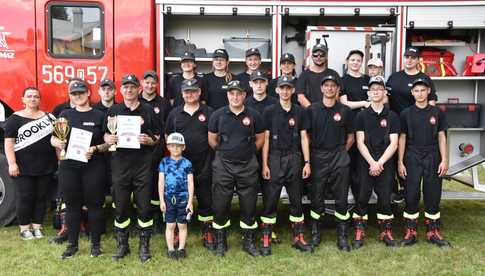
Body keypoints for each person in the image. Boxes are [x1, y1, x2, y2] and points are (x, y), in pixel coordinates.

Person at [104, 74, 161, 263]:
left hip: (142, 166)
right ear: (121, 90)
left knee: (144, 208)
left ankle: (144, 247)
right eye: (125, 87)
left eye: (132, 87)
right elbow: (105, 134)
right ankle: (123, 245)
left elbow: (158, 137)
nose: (129, 90)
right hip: (120, 166)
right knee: (120, 207)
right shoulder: (114, 110)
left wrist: (149, 140)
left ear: (139, 89)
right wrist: (108, 139)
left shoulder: (148, 110)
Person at [51, 81, 109, 258]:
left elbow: (108, 142)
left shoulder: (100, 115)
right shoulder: (64, 114)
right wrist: (58, 143)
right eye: (74, 94)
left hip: (94, 166)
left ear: (88, 93)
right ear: (70, 96)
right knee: (72, 206)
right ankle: (72, 244)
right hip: (70, 167)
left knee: (95, 206)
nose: (78, 96)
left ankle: (96, 245)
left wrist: (96, 148)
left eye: (81, 93)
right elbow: (53, 139)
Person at [208, 80, 265, 257]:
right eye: (232, 93)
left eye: (238, 93)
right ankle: (220, 241)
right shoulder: (218, 115)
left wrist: (247, 153)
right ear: (228, 95)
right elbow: (212, 139)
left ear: (244, 95)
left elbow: (261, 139)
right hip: (223, 165)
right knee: (220, 204)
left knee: (249, 205)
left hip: (248, 165)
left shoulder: (255, 115)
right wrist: (224, 152)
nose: (235, 97)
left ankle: (248, 242)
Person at [260, 75, 313, 256]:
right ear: (276, 90)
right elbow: (265, 139)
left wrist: (307, 162)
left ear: (292, 90)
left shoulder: (300, 112)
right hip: (274, 158)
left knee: (296, 199)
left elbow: (304, 137)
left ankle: (298, 237)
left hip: (295, 158)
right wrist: (265, 164)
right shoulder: (269, 111)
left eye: (288, 88)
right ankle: (266, 237)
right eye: (282, 88)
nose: (285, 91)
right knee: (271, 200)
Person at [398, 78, 450, 248]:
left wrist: (444, 159)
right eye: (416, 91)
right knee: (411, 193)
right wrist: (400, 161)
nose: (419, 93)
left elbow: (442, 137)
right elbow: (402, 138)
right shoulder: (406, 113)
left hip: (432, 154)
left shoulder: (437, 113)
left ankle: (432, 230)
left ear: (428, 92)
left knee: (432, 193)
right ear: (412, 93)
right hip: (412, 155)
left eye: (422, 90)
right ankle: (410, 231)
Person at [165, 79, 215, 251]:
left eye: (193, 91)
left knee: (205, 199)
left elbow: (215, 137)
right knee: (179, 199)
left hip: (204, 163)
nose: (190, 94)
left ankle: (207, 230)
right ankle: (178, 231)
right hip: (180, 167)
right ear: (182, 93)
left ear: (199, 92)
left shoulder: (209, 112)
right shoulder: (174, 114)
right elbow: (168, 137)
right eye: (187, 91)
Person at [307, 75, 354, 251]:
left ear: (337, 89)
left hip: (339, 156)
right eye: (326, 85)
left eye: (333, 86)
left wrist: (341, 151)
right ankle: (315, 233)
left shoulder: (345, 110)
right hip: (318, 156)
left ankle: (342, 236)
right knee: (316, 197)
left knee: (341, 197)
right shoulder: (312, 110)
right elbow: (307, 135)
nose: (329, 88)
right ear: (321, 89)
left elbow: (350, 136)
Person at [353, 76, 400, 249]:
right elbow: (359, 142)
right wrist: (372, 162)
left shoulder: (393, 116)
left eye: (379, 89)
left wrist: (379, 163)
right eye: (373, 89)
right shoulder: (361, 116)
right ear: (369, 93)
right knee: (362, 196)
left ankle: (385, 231)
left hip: (385, 162)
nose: (376, 92)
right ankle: (359, 230)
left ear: (384, 92)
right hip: (366, 161)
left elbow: (394, 143)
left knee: (385, 197)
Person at [4, 87, 57, 240]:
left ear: (39, 100)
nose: (33, 99)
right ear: (23, 99)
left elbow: (56, 138)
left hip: (45, 165)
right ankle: (24, 229)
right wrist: (12, 163)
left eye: (36, 96)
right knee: (25, 197)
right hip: (23, 167)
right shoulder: (14, 119)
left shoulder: (49, 118)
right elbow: (9, 143)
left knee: (41, 197)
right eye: (29, 96)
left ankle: (37, 227)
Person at [386, 47, 438, 203]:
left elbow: (432, 104)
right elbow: (386, 100)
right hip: (395, 124)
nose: (409, 60)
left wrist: (431, 126)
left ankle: (410, 189)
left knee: (411, 159)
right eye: (407, 56)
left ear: (417, 60)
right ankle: (400, 188)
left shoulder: (424, 79)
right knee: (395, 157)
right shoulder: (394, 77)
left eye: (413, 57)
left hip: (417, 125)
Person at [139, 70, 171, 233]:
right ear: (142, 83)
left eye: (153, 82)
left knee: (157, 184)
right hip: (137, 152)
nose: (150, 85)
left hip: (157, 150)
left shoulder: (163, 103)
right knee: (142, 185)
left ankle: (158, 217)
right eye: (147, 82)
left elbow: (167, 127)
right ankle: (144, 217)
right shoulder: (135, 101)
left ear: (157, 84)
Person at [340, 50, 371, 202]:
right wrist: (364, 103)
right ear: (347, 61)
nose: (355, 62)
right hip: (350, 124)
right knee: (350, 160)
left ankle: (365, 191)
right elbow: (344, 103)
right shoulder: (342, 80)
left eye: (358, 60)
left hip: (367, 125)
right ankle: (348, 191)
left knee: (363, 160)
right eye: (352, 60)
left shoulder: (368, 79)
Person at [159, 132, 194, 259]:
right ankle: (170, 249)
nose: (175, 149)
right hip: (168, 198)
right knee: (170, 225)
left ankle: (181, 248)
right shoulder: (164, 162)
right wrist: (162, 200)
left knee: (182, 225)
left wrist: (190, 201)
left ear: (183, 147)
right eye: (172, 146)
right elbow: (161, 182)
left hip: (183, 198)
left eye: (178, 146)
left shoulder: (187, 163)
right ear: (168, 147)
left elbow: (190, 183)